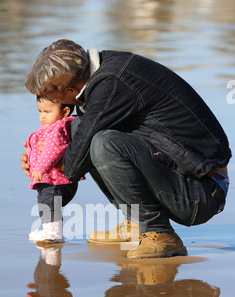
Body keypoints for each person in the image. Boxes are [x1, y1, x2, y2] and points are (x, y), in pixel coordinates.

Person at [21, 39, 232, 258]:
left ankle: (158, 232)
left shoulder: (110, 84)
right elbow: (76, 144)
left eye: (56, 101)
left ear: (72, 90)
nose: (57, 108)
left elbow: (73, 166)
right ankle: (137, 223)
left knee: (102, 143)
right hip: (186, 176)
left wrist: (44, 163)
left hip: (203, 191)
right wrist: (44, 154)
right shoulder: (102, 71)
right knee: (80, 130)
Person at [26, 94, 79, 244]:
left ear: (65, 112)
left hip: (55, 179)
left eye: (47, 112)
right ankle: (50, 230)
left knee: (48, 202)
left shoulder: (57, 128)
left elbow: (54, 150)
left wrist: (40, 168)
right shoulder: (52, 127)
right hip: (55, 178)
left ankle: (53, 233)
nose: (42, 116)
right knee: (48, 203)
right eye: (40, 111)